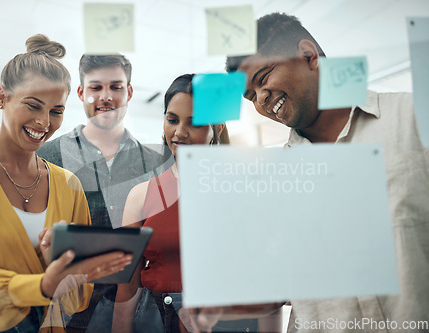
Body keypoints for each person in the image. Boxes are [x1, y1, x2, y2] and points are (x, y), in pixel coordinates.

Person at [227, 12, 429, 333]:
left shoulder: (414, 118)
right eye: (250, 96)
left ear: (308, 56)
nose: (261, 99)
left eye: (264, 77)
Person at [0, 34, 132, 333]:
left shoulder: (68, 183)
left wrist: (62, 269)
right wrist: (43, 282)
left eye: (56, 111)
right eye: (33, 105)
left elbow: (79, 296)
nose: (44, 122)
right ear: (1, 96)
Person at [113, 74, 284, 333]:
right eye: (172, 120)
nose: (179, 132)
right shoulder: (141, 195)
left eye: (195, 123)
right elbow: (127, 286)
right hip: (158, 321)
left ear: (217, 128)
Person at [37, 53, 172, 331]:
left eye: (116, 87)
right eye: (96, 88)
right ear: (81, 93)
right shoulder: (48, 155)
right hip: (68, 311)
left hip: (137, 310)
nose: (106, 97)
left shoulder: (156, 162)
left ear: (129, 92)